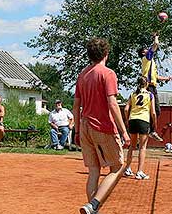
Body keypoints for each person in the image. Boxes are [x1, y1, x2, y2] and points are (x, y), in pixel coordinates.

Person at [73, 38, 130, 214]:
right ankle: (94, 204)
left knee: (94, 171)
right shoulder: (108, 73)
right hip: (102, 126)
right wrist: (124, 132)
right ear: (106, 54)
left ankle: (91, 209)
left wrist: (76, 131)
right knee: (118, 167)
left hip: (85, 126)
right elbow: (112, 104)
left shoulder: (82, 75)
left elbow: (76, 106)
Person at [138, 33, 172, 142]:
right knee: (154, 110)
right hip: (148, 87)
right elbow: (155, 45)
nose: (148, 50)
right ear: (143, 53)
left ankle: (149, 130)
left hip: (152, 87)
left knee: (156, 110)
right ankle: (149, 130)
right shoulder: (146, 58)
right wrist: (156, 37)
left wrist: (166, 78)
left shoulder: (151, 63)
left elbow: (155, 76)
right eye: (146, 50)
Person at [124, 76, 156, 180]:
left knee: (132, 146)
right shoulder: (150, 95)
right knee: (142, 147)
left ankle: (128, 168)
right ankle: (139, 172)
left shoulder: (133, 94)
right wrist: (154, 124)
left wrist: (127, 120)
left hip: (132, 120)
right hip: (143, 121)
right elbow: (153, 113)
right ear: (146, 84)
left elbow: (126, 109)